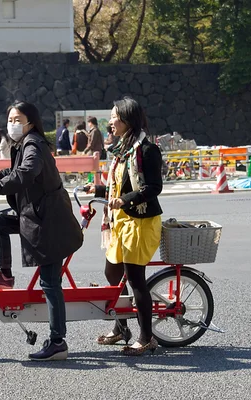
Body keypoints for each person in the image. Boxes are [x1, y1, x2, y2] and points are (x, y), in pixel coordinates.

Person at [0, 101, 83, 361]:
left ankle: (58, 342)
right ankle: (4, 275)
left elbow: (25, 173)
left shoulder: (33, 144)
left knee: (50, 283)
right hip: (35, 215)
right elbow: (13, 170)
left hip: (50, 222)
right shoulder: (23, 144)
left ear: (30, 121)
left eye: (17, 118)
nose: (12, 123)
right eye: (10, 118)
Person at [88, 97, 163, 356]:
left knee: (135, 280)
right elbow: (119, 186)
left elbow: (153, 188)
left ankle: (146, 337)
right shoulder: (122, 150)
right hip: (120, 221)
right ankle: (122, 327)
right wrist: (98, 189)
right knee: (112, 275)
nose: (110, 121)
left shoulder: (146, 149)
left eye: (114, 117)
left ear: (127, 119)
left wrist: (125, 200)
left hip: (141, 221)